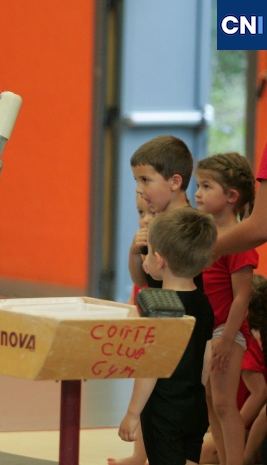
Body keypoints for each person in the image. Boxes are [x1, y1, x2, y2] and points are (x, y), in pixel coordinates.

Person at [118, 208, 217, 465]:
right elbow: (207, 359)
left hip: (164, 410)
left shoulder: (159, 306)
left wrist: (132, 413)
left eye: (149, 252)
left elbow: (150, 367)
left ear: (159, 261)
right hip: (194, 405)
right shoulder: (203, 302)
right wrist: (195, 394)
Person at [194, 152, 258, 465]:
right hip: (209, 330)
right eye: (198, 185)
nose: (197, 193)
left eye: (206, 186)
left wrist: (227, 339)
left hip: (227, 332)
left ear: (232, 196)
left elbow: (242, 298)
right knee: (211, 403)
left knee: (223, 404)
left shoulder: (238, 242)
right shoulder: (208, 237)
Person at [107, 195, 155, 465]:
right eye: (140, 212)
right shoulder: (142, 252)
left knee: (151, 401)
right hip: (142, 328)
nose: (145, 220)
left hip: (158, 331)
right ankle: (139, 455)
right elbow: (136, 290)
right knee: (143, 398)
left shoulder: (162, 253)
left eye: (152, 214)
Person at [128, 135, 196, 291]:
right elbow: (141, 281)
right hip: (161, 303)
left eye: (145, 180)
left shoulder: (191, 225)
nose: (138, 189)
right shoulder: (156, 224)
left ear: (175, 182)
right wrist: (134, 252)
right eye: (136, 180)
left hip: (183, 305)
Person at [243, 274, 267, 465]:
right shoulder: (255, 335)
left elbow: (260, 392)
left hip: (247, 427)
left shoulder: (247, 340)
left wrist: (234, 427)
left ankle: (247, 458)